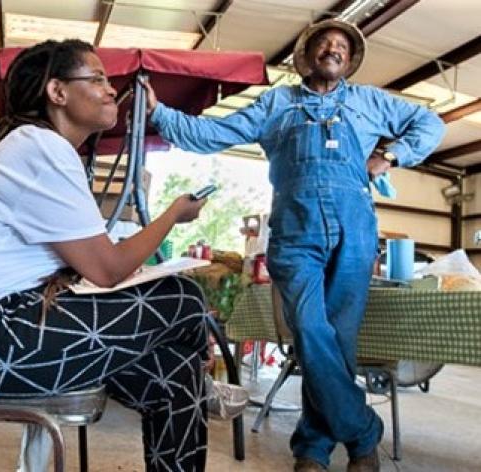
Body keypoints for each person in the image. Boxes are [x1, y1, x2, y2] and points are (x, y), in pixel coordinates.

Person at [0, 39, 211, 472]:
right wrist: (173, 215)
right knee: (181, 298)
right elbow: (106, 269)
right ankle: (210, 384)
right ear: (57, 92)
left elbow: (90, 264)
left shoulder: (40, 149)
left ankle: (198, 379)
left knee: (176, 374)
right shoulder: (39, 148)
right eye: (98, 79)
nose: (111, 90)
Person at [143, 19, 445, 472]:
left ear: (350, 59)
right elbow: (212, 135)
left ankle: (312, 450)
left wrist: (390, 156)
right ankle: (363, 434)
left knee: (338, 340)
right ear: (307, 54)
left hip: (356, 229)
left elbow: (429, 123)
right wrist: (158, 112)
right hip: (295, 229)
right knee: (308, 330)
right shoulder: (276, 102)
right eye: (324, 41)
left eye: (343, 44)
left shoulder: (369, 101)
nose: (333, 48)